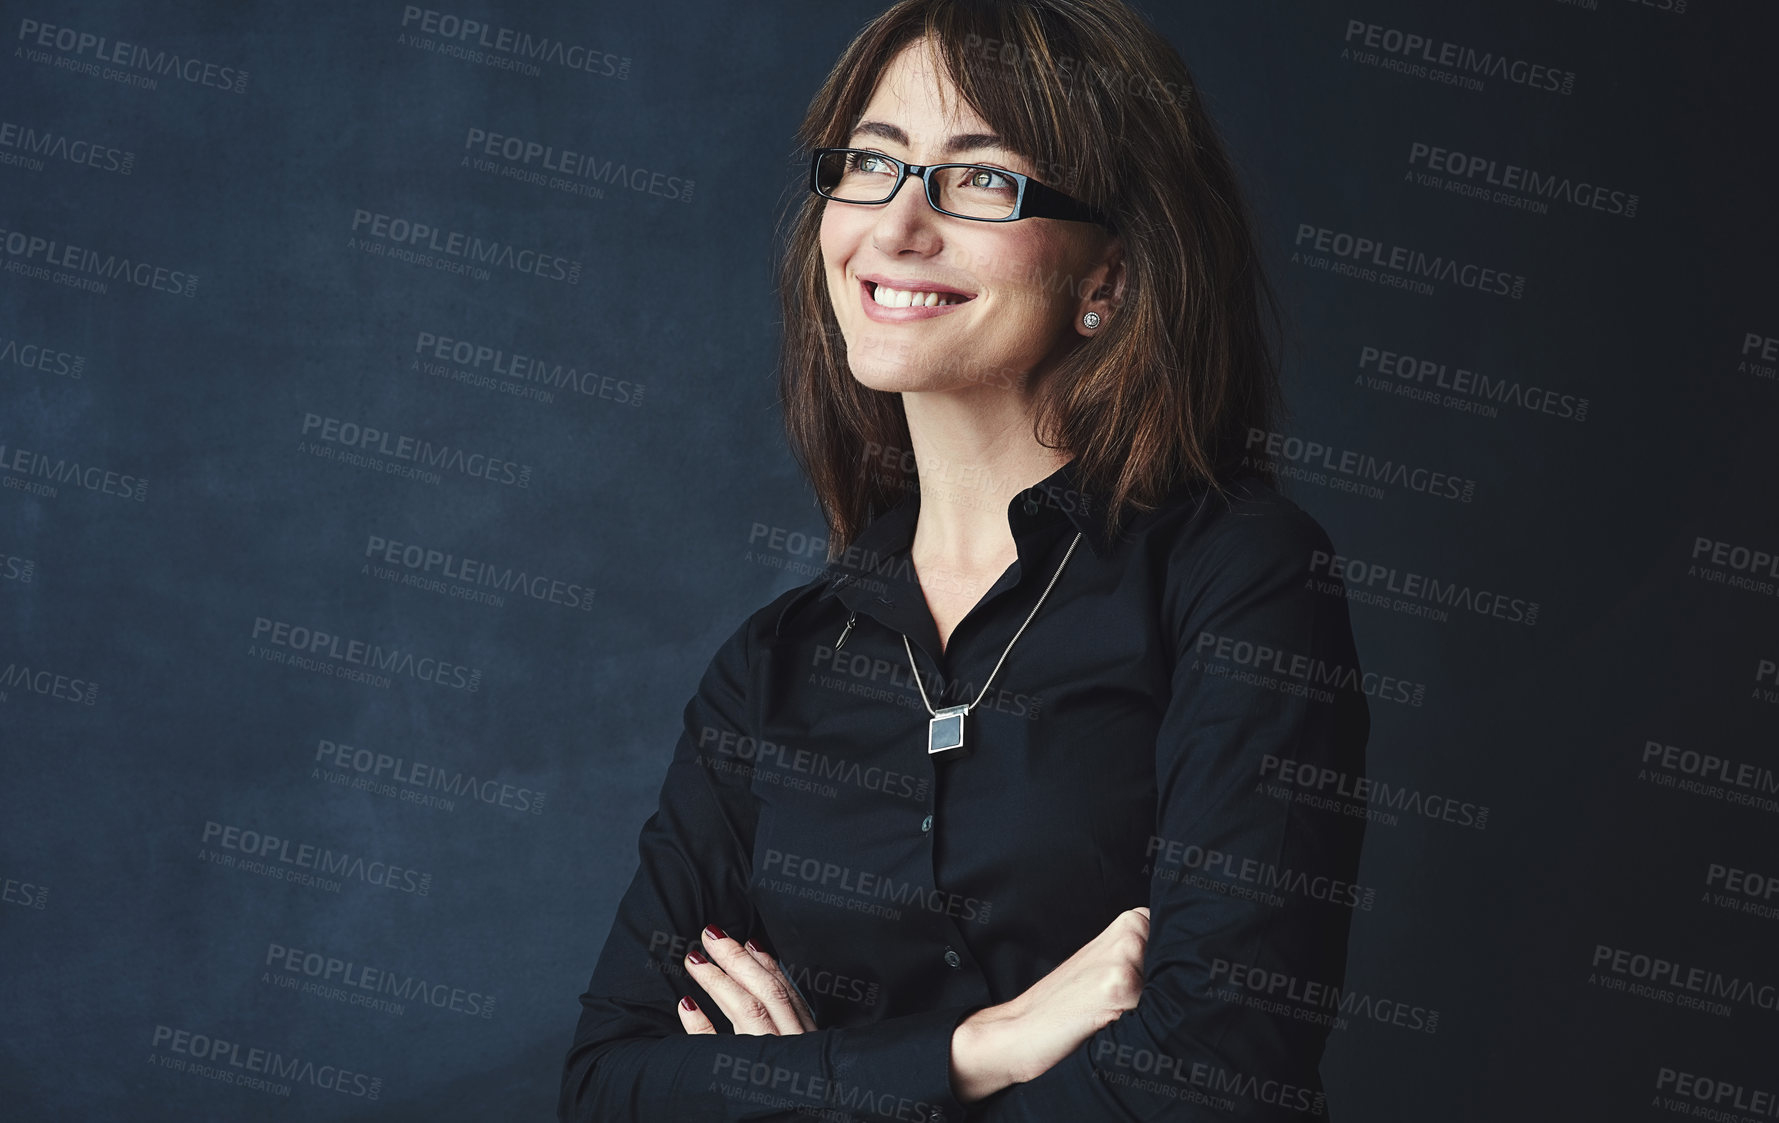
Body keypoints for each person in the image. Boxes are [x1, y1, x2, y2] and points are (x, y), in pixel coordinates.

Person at [558, 1, 1370, 1119]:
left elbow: (1217, 1081)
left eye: (979, 179)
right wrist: (979, 1047)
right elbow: (611, 1086)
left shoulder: (1242, 579)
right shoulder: (774, 668)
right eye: (873, 165)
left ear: (1109, 278)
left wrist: (808, 1088)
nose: (895, 227)